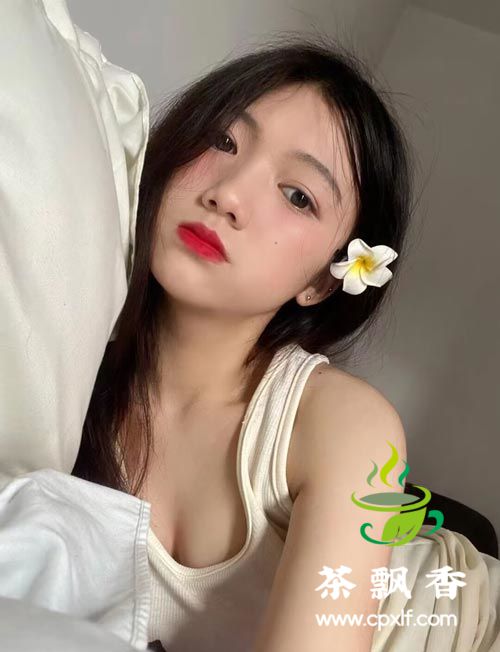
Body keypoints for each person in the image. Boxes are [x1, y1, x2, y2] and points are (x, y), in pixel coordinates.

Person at [71, 35, 413, 651]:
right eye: (223, 141)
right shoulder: (67, 373)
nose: (227, 195)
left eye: (298, 195)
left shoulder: (343, 425)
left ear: (322, 280)